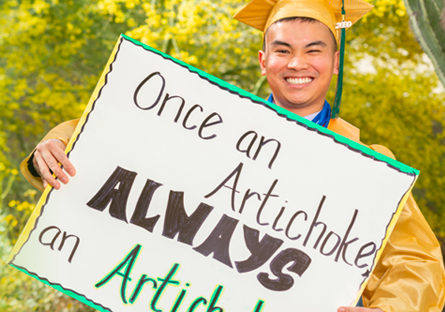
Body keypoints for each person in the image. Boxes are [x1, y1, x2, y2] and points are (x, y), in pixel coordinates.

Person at [20, 0, 445, 311]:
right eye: (283, 50)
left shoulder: (366, 164)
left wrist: (391, 310)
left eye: (314, 49)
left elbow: (417, 261)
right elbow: (122, 136)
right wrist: (55, 143)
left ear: (334, 63)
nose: (298, 63)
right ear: (264, 61)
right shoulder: (207, 125)